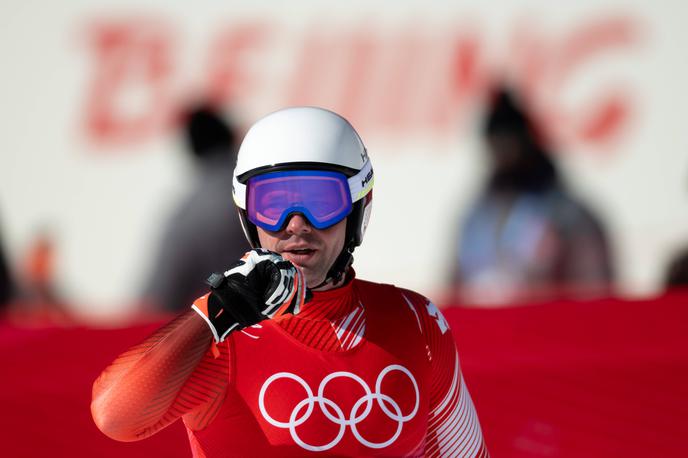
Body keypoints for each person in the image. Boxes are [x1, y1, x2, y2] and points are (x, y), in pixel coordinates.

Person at [92, 107, 489, 457]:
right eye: (273, 205)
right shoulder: (221, 337)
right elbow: (115, 417)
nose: (296, 225)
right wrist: (214, 312)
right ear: (248, 215)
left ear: (357, 208)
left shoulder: (416, 323)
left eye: (320, 202)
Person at [452, 88, 614, 305]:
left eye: (510, 145)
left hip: (550, 332)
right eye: (497, 146)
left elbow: (595, 292)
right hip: (484, 334)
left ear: (528, 144)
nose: (504, 156)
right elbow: (455, 290)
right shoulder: (476, 217)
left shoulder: (567, 215)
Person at [141, 104, 249, 312]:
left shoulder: (187, 216)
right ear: (232, 136)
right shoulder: (267, 191)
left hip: (221, 334)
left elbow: (158, 298)